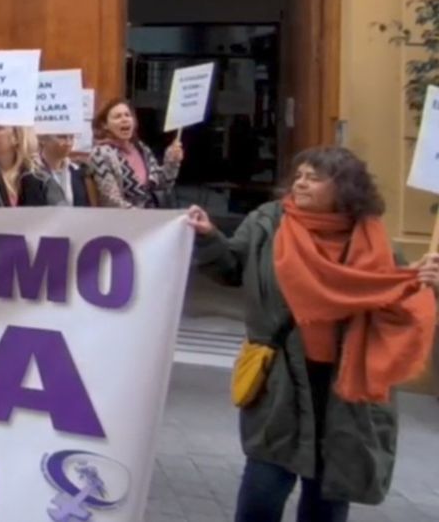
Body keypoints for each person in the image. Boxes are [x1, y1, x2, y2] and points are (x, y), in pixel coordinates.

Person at [186, 147, 438, 522]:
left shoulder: (371, 237)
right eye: (299, 175)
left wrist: (422, 283)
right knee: (262, 491)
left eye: (314, 177)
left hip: (344, 385)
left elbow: (392, 298)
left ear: (344, 188)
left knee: (328, 498)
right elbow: (231, 268)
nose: (300, 183)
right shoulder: (268, 223)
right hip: (280, 379)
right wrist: (208, 237)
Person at [89, 97, 184, 208]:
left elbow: (163, 184)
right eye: (117, 116)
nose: (124, 119)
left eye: (127, 115)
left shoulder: (140, 148)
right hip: (124, 220)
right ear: (105, 125)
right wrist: (142, 217)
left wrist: (172, 161)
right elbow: (111, 200)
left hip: (152, 215)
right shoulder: (100, 153)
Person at [34, 133, 99, 207]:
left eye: (71, 137)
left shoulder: (79, 172)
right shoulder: (31, 174)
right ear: (42, 139)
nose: (68, 143)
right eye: (62, 137)